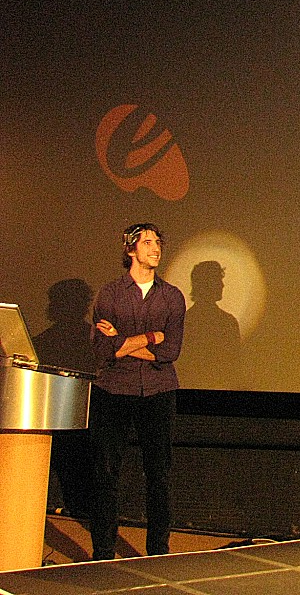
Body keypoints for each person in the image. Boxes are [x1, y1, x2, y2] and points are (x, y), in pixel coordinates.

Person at [89, 222, 185, 559]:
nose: (155, 248)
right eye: (147, 242)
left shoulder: (172, 297)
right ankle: (103, 551)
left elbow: (170, 351)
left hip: (158, 391)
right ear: (131, 249)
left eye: (158, 242)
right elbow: (104, 350)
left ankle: (158, 550)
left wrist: (122, 341)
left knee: (159, 474)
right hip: (113, 390)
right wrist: (150, 337)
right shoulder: (110, 294)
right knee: (106, 473)